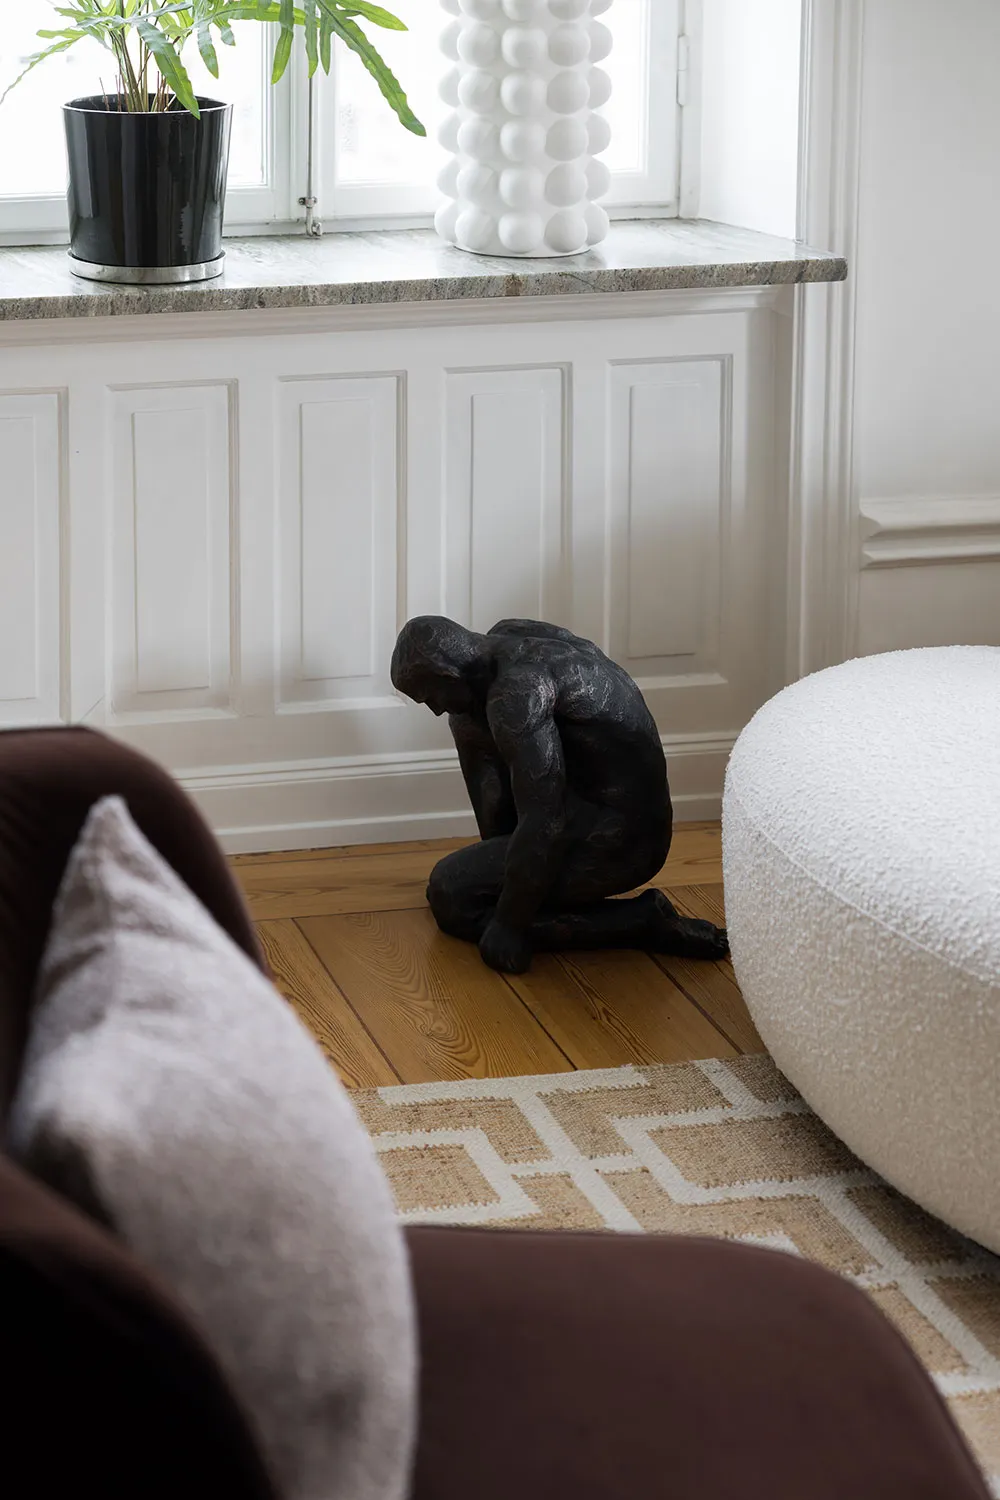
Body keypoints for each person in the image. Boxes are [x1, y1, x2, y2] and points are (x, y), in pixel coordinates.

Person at [390, 616, 729, 975]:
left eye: (430, 697)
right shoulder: (509, 636)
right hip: (610, 809)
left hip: (624, 842)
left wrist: (509, 923)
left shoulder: (516, 692)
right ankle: (514, 878)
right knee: (466, 719)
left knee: (451, 896)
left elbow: (545, 821)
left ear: (448, 672)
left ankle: (639, 921)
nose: (436, 708)